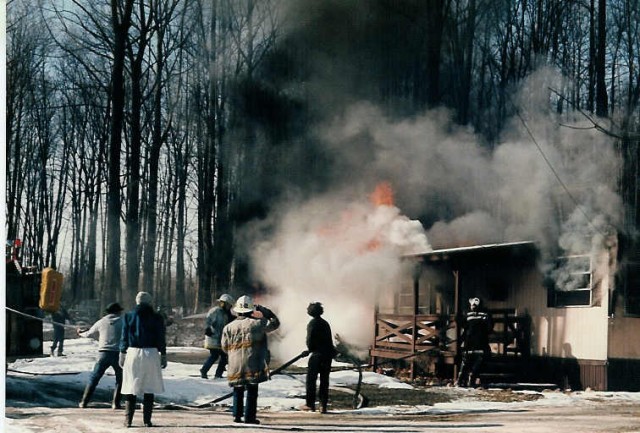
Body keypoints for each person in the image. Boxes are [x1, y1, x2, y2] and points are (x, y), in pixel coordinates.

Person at [221, 295, 280, 425]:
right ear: (251, 310)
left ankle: (237, 415)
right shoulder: (258, 324)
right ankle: (249, 417)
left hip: (235, 363)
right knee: (252, 390)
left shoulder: (228, 327)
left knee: (238, 388)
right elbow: (275, 324)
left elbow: (224, 347)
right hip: (253, 362)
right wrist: (266, 312)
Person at [119, 292, 167, 428]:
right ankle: (147, 420)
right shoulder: (157, 317)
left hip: (133, 352)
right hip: (151, 353)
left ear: (137, 301)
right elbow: (160, 337)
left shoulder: (128, 316)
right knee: (149, 387)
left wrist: (122, 352)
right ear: (149, 302)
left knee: (130, 386)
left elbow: (124, 336)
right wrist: (163, 354)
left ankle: (128, 420)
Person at [77, 302, 124, 409]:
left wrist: (80, 333)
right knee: (120, 379)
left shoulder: (101, 322)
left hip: (103, 353)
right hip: (118, 353)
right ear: (117, 311)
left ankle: (84, 402)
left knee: (94, 378)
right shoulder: (123, 322)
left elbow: (89, 333)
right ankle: (116, 403)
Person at [301, 302, 336, 414]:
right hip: (327, 355)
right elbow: (329, 340)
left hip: (316, 354)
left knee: (311, 380)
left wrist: (310, 348)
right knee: (324, 380)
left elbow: (310, 339)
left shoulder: (312, 323)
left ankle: (310, 404)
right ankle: (323, 405)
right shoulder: (325, 323)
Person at [456, 297, 493, 388]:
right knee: (467, 361)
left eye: (475, 304)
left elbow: (489, 326)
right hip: (473, 341)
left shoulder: (481, 314)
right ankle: (463, 380)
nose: (473, 306)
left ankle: (468, 379)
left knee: (474, 361)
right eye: (473, 304)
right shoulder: (470, 314)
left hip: (477, 341)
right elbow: (463, 324)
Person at [199, 293, 235, 379]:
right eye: (228, 305)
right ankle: (205, 370)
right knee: (215, 355)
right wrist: (207, 329)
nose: (230, 307)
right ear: (223, 303)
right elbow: (208, 320)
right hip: (213, 338)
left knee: (224, 357)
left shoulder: (226, 314)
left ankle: (218, 374)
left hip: (221, 339)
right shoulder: (215, 311)